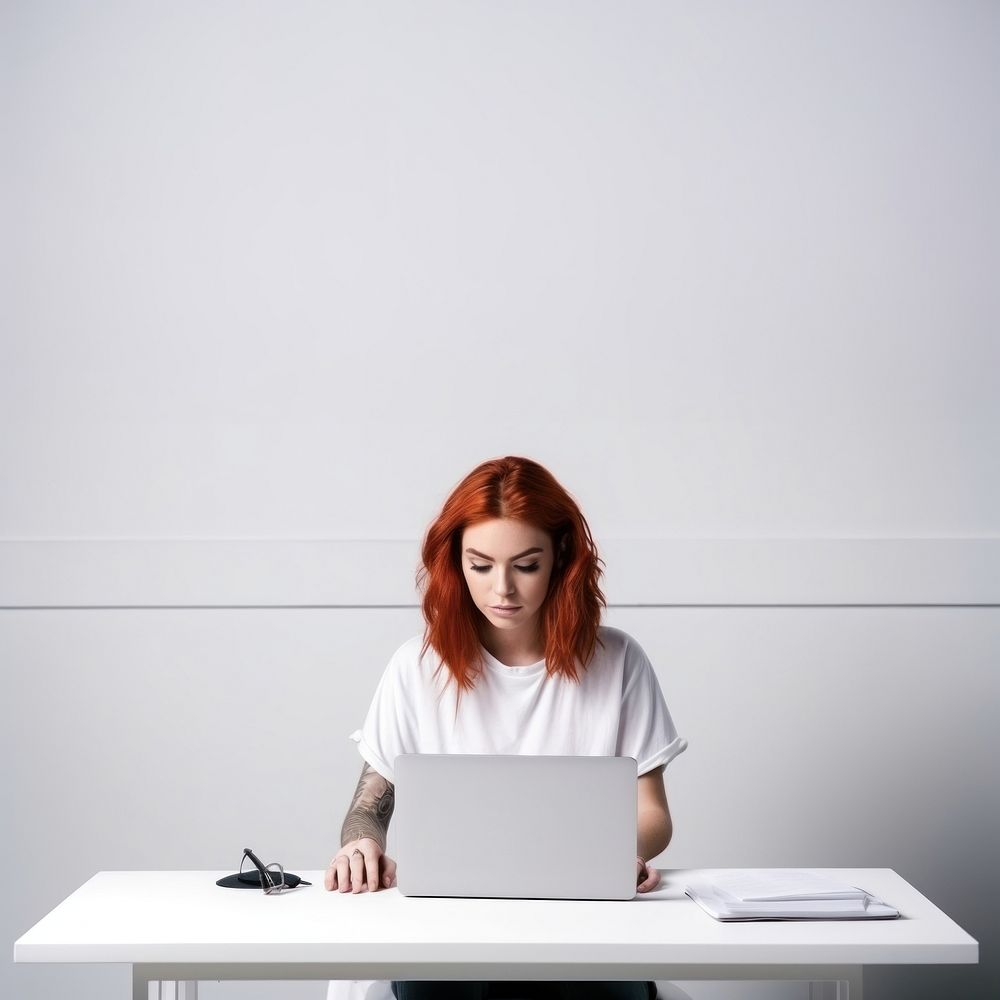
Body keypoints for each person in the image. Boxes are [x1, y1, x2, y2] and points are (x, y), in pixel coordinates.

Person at [325, 456, 687, 1000]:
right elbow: (369, 805)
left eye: (526, 565)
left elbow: (653, 813)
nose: (503, 590)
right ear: (456, 563)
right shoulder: (417, 666)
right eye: (480, 565)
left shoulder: (619, 661)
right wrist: (360, 846)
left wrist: (615, 852)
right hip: (447, 933)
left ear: (560, 558)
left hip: (585, 927)